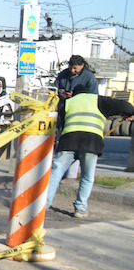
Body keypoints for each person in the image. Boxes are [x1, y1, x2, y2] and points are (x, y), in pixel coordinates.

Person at [46, 84, 134, 218]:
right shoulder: (100, 100)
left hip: (69, 140)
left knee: (56, 173)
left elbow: (61, 124)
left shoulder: (67, 102)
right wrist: (128, 114)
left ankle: (43, 204)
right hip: (91, 143)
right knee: (87, 176)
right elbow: (128, 107)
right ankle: (80, 209)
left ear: (75, 93)